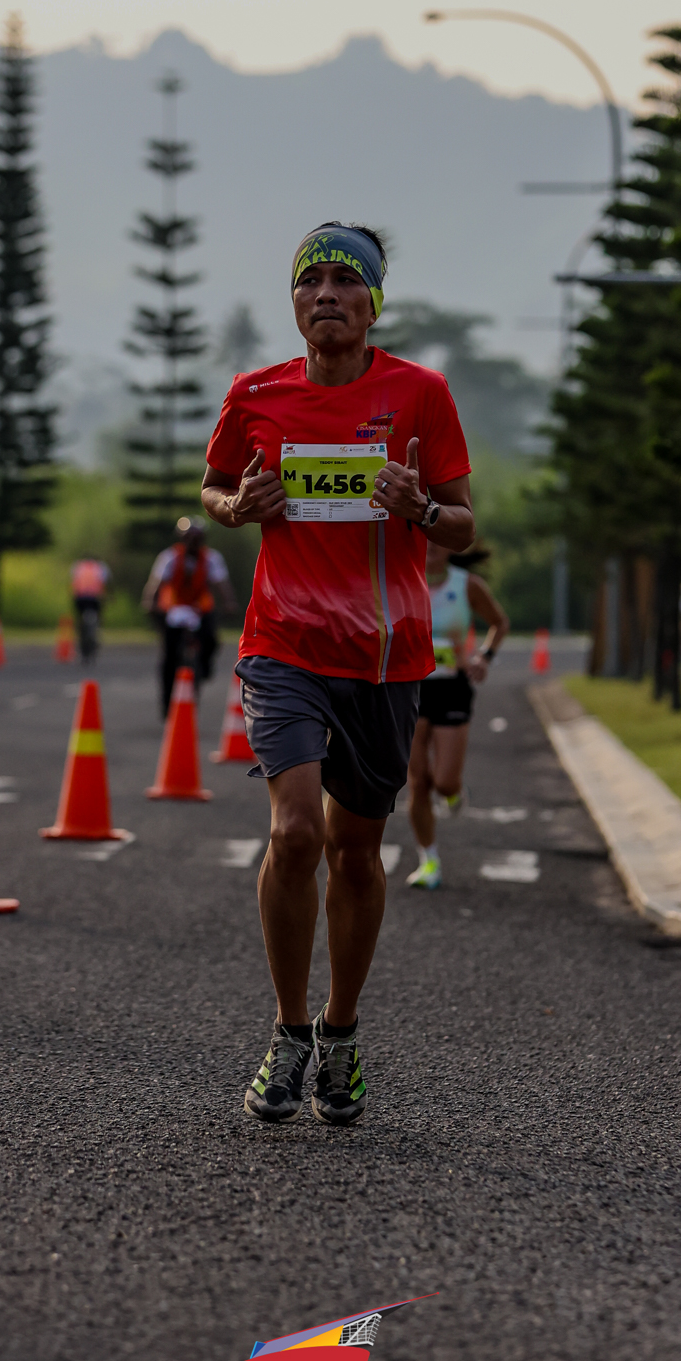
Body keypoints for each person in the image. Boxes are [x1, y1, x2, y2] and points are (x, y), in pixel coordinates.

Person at [202, 220, 474, 1127]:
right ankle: (287, 1034)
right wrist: (237, 507)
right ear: (293, 301)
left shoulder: (420, 394)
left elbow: (464, 522)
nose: (326, 294)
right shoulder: (255, 394)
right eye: (310, 280)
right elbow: (213, 488)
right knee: (293, 834)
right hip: (282, 645)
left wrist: (421, 507)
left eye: (346, 280)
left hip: (385, 656)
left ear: (373, 302)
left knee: (356, 851)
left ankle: (342, 1033)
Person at [405, 541, 508, 889]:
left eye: (439, 539)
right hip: (409, 687)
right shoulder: (400, 579)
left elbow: (499, 623)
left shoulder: (467, 585)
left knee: (444, 781)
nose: (431, 546)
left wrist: (484, 657)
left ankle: (453, 792)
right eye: (425, 538)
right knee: (418, 781)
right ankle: (429, 860)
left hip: (451, 688)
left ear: (451, 546)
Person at [140, 517, 237, 718]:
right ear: (181, 538)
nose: (193, 542)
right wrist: (149, 601)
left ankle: (204, 666)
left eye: (197, 538)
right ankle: (167, 702)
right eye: (189, 537)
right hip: (175, 609)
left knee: (211, 640)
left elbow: (222, 584)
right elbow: (155, 583)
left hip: (199, 609)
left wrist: (230, 602)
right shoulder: (169, 557)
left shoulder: (211, 558)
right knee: (168, 656)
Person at [70, 555, 111, 664]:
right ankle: (96, 633)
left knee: (80, 620)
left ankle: (80, 631)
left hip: (80, 598)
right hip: (95, 598)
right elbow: (105, 583)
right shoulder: (101, 566)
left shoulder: (78, 566)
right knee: (98, 617)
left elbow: (73, 582)